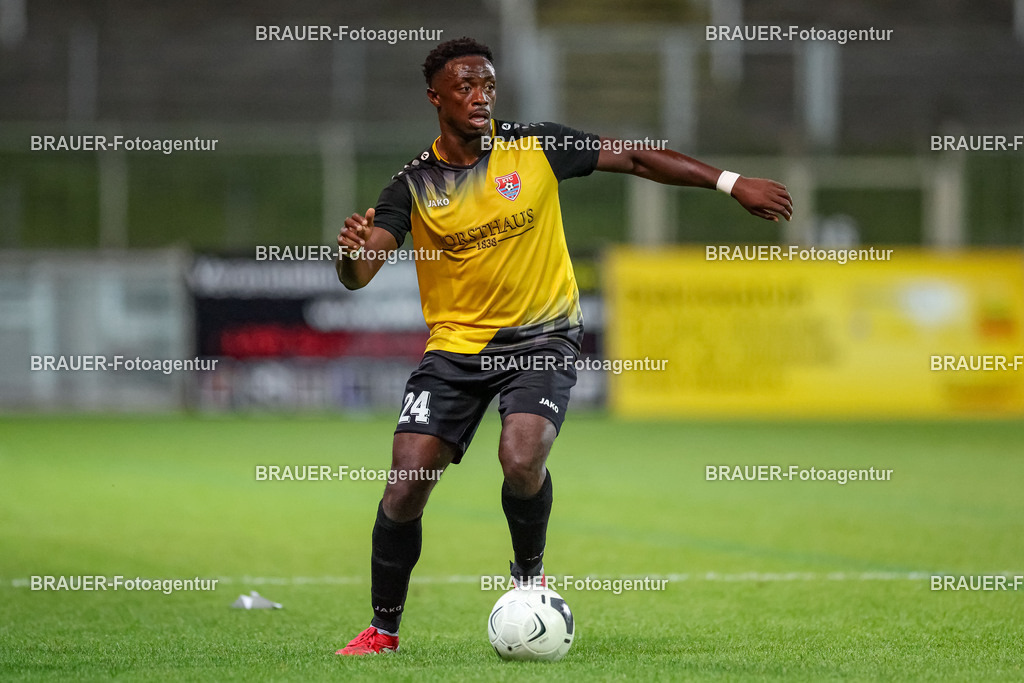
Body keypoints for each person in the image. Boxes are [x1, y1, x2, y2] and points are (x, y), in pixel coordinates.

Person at [334, 36, 793, 655]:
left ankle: (529, 581)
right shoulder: (412, 185)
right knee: (406, 483)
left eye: (488, 85)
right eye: (465, 87)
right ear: (435, 98)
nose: (480, 96)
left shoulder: (534, 145)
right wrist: (350, 253)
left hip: (543, 335)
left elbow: (634, 157)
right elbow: (361, 274)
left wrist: (730, 182)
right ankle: (382, 631)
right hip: (456, 348)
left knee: (522, 458)